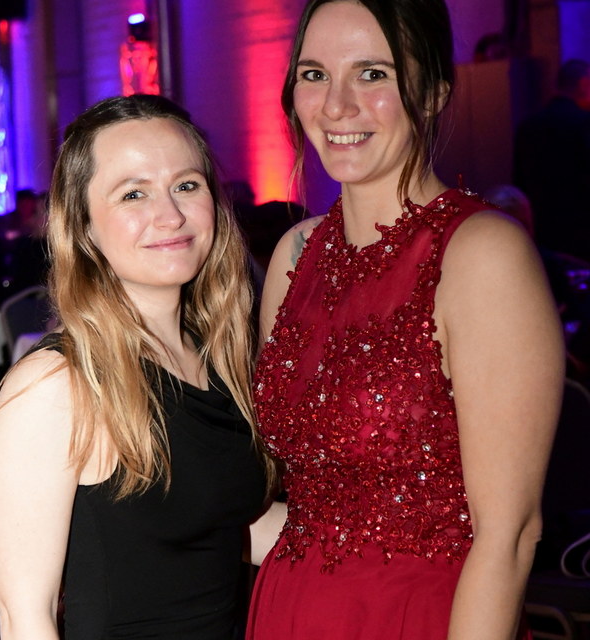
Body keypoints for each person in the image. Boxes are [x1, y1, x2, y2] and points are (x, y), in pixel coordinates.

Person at [245, 1, 564, 639]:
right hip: (289, 609)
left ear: (435, 90)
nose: (336, 105)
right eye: (314, 74)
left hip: (424, 618)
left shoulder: (481, 254)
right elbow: (302, 511)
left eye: (373, 73)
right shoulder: (294, 256)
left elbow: (509, 537)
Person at [0, 94, 272, 640]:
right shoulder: (56, 386)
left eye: (187, 185)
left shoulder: (217, 360)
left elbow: (218, 528)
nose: (171, 215)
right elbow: (25, 619)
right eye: (133, 193)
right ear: (84, 228)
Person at [513, 58, 590, 262]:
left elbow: (519, 183)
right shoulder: (583, 123)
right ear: (583, 84)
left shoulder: (528, 126)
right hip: (581, 233)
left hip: (541, 232)